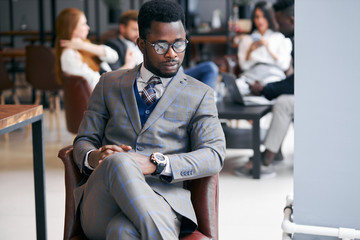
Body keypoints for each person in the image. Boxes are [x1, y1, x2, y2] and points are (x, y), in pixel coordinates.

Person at [72, 0, 226, 239]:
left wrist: (158, 164)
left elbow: (214, 155)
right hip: (102, 202)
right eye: (161, 45)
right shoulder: (108, 83)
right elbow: (83, 141)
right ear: (141, 44)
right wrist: (96, 157)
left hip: (164, 202)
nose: (172, 53)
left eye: (179, 43)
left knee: (121, 232)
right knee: (120, 162)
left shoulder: (200, 94)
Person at [235, 0, 294, 178]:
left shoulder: (287, 41)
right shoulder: (250, 39)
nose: (276, 25)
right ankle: (274, 152)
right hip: (253, 75)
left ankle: (266, 160)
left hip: (281, 80)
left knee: (283, 102)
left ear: (291, 20)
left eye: (278, 21)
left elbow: (295, 82)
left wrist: (264, 90)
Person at [105, 10, 219, 90]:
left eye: (139, 30)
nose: (137, 33)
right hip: (149, 79)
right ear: (122, 28)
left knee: (209, 68)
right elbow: (116, 76)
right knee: (177, 69)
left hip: (167, 73)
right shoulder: (114, 45)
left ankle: (208, 102)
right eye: (134, 29)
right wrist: (129, 64)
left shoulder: (138, 41)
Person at [55, 8, 119, 91]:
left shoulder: (84, 46)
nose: (88, 27)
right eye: (84, 24)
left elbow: (113, 56)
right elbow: (95, 85)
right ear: (72, 27)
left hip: (107, 93)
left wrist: (83, 45)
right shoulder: (69, 55)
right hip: (101, 98)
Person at [236, 1, 292, 94]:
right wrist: (250, 51)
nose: (260, 21)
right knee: (236, 87)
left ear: (269, 18)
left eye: (263, 16)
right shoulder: (247, 40)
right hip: (252, 75)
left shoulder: (279, 38)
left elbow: (284, 65)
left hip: (272, 74)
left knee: (273, 88)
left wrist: (268, 48)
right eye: (257, 17)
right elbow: (244, 66)